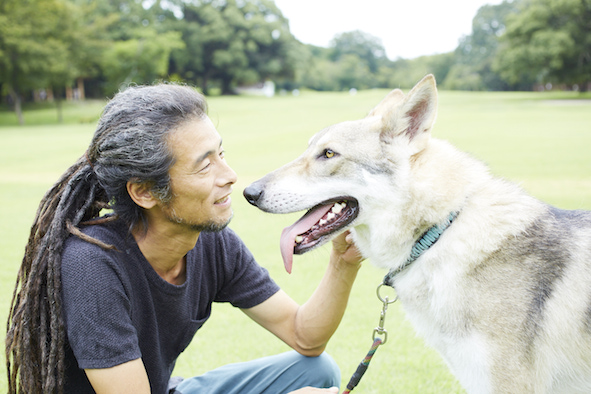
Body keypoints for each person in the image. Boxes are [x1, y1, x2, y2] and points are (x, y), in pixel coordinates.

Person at [6, 84, 364, 394]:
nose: (230, 175)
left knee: (316, 372)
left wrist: (342, 262)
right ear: (145, 192)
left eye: (221, 154)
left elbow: (305, 337)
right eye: (205, 165)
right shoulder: (91, 264)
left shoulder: (212, 242)